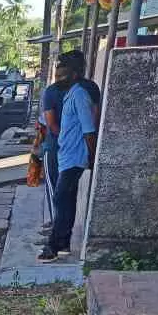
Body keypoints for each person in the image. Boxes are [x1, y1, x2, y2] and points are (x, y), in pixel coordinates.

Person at [38, 56, 97, 263]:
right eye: (57, 75)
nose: (58, 79)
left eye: (63, 75)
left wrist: (91, 155)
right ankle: (63, 243)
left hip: (75, 156)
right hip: (66, 154)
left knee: (60, 198)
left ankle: (53, 246)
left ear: (74, 74)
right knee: (67, 199)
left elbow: (89, 129)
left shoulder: (80, 95)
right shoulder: (68, 95)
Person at [38, 62, 71, 225]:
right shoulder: (79, 91)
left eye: (60, 75)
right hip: (70, 147)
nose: (57, 79)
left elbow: (50, 124)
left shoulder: (52, 92)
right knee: (63, 188)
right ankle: (58, 224)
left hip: (55, 146)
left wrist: (64, 139)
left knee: (54, 187)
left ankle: (56, 224)